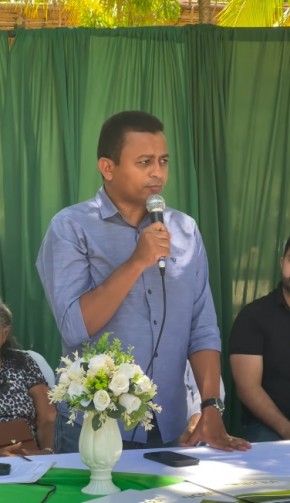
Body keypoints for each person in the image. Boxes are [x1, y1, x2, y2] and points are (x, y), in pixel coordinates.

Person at [36, 110, 250, 453]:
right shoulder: (71, 227)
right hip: (96, 425)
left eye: (163, 160)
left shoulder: (184, 229)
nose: (157, 172)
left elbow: (203, 327)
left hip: (171, 424)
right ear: (108, 168)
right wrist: (137, 261)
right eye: (145, 161)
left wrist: (211, 406)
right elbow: (75, 326)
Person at [229, 237, 290, 442]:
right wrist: (287, 430)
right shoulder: (254, 316)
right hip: (271, 427)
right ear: (282, 263)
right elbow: (248, 388)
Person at [0, 300, 56, 456]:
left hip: (29, 457)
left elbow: (48, 417)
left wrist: (46, 452)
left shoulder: (23, 362)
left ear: (5, 334)